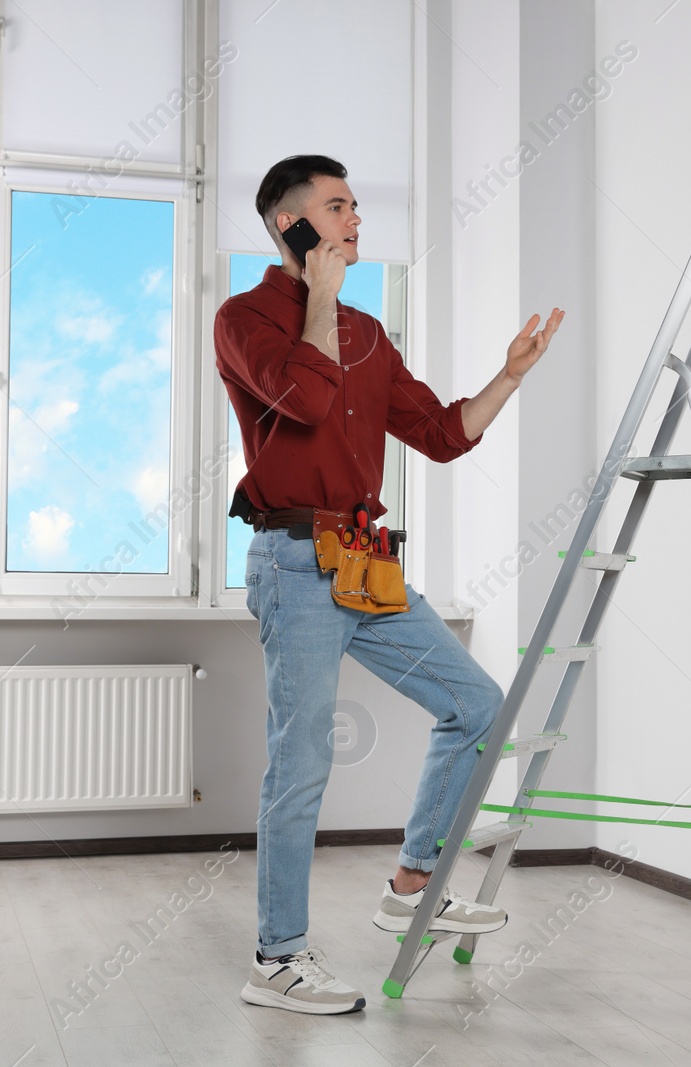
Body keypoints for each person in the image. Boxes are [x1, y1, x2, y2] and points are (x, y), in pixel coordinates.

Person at [214, 154, 564, 1015]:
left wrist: (511, 374)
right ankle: (278, 957)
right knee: (300, 764)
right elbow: (297, 397)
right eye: (337, 208)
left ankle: (414, 880)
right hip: (294, 563)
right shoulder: (243, 318)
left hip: (366, 564)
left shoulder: (369, 331)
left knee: (479, 703)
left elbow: (444, 434)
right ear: (286, 224)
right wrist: (320, 298)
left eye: (357, 206)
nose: (356, 221)